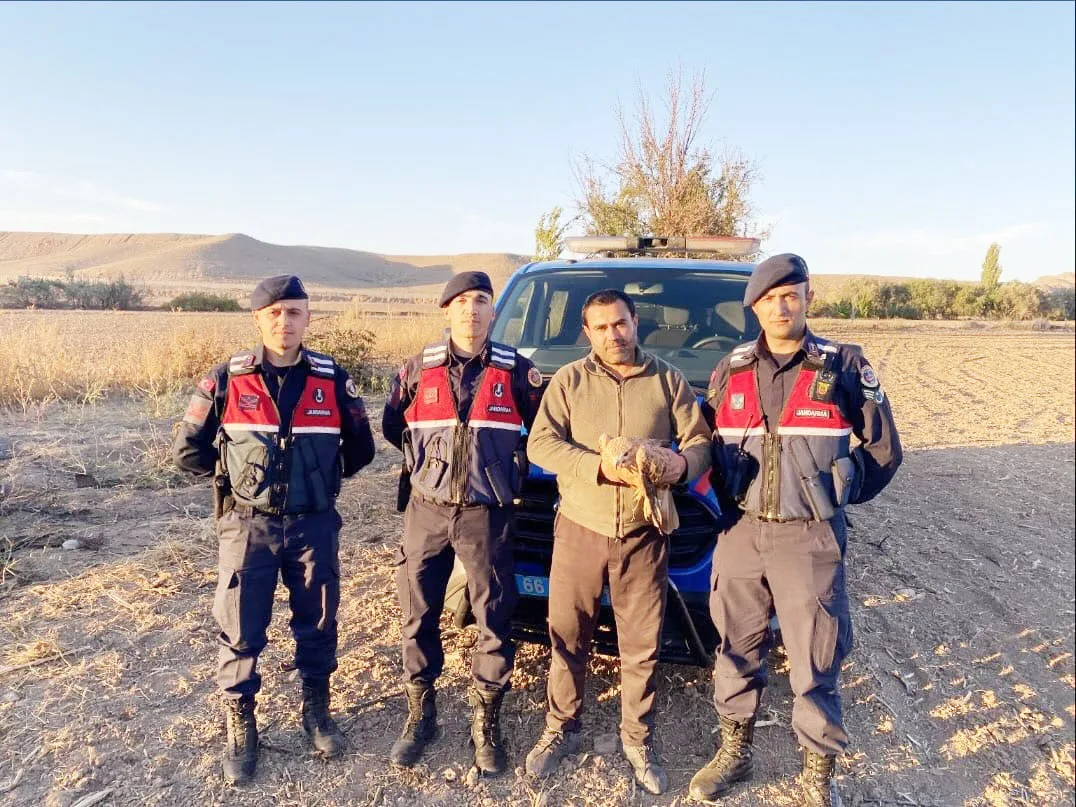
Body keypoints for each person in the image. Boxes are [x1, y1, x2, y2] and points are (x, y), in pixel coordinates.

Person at [689, 254, 903, 807]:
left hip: (809, 537)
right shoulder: (731, 368)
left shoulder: (844, 365)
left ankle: (817, 775)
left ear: (808, 298)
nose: (781, 307)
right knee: (735, 649)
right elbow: (704, 446)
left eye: (791, 295)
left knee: (815, 657)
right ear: (755, 308)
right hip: (740, 533)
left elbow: (884, 451)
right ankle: (735, 753)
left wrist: (840, 489)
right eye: (769, 299)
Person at [172, 274, 376, 785]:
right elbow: (188, 451)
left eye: (294, 312)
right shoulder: (227, 378)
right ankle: (241, 725)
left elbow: (361, 449)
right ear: (258, 319)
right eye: (274, 313)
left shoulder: (332, 378)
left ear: (308, 319)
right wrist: (238, 482)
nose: (284, 322)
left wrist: (316, 479)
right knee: (240, 627)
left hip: (314, 525)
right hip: (249, 527)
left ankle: (317, 712)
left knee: (319, 620)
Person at [522, 289, 711, 795]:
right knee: (567, 635)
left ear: (635, 322)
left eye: (621, 323)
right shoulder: (569, 381)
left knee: (641, 646)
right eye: (602, 327)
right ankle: (561, 726)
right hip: (580, 528)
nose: (614, 334)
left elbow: (700, 441)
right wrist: (597, 468)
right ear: (588, 332)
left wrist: (681, 464)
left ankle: (637, 738)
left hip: (644, 533)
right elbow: (541, 443)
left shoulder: (668, 380)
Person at [381, 271, 542, 775]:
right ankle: (420, 715)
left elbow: (540, 432)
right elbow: (393, 426)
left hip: (486, 513)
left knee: (494, 615)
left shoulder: (518, 372)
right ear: (447, 310)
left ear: (494, 311)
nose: (471, 310)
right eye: (462, 302)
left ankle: (485, 720)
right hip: (426, 510)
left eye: (481, 301)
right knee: (418, 610)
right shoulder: (416, 370)